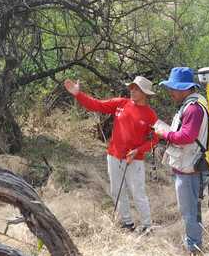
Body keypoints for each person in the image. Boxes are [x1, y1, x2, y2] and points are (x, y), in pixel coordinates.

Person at [64, 76, 159, 233]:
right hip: (114, 156)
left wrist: (138, 151)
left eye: (137, 89)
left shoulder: (150, 115)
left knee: (138, 193)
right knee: (117, 190)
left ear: (145, 93)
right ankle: (126, 223)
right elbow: (97, 105)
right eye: (132, 88)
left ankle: (147, 225)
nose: (133, 91)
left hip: (134, 160)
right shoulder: (121, 103)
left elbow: (156, 139)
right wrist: (78, 94)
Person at [154, 67, 209, 255]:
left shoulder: (193, 108)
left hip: (189, 170)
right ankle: (195, 245)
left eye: (174, 88)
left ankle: (193, 250)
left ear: (185, 89)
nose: (171, 92)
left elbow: (186, 136)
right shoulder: (192, 105)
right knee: (192, 210)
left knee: (189, 213)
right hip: (188, 166)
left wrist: (165, 133)